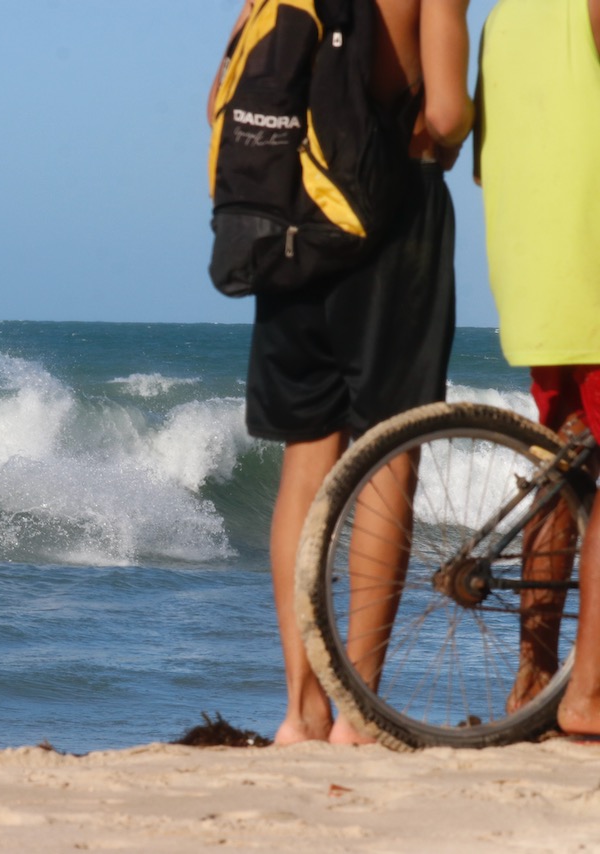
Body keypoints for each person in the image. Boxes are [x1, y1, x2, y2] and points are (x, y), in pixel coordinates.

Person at [209, 0, 476, 745]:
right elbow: (446, 113)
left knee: (307, 461)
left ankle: (301, 711)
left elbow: (223, 101)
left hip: (290, 223)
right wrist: (458, 129)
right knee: (388, 454)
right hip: (394, 213)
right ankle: (357, 714)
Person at [475, 0, 600, 735]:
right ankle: (588, 693)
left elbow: (487, 165)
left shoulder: (502, 19)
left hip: (533, 280)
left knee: (565, 468)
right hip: (591, 266)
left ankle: (534, 681)